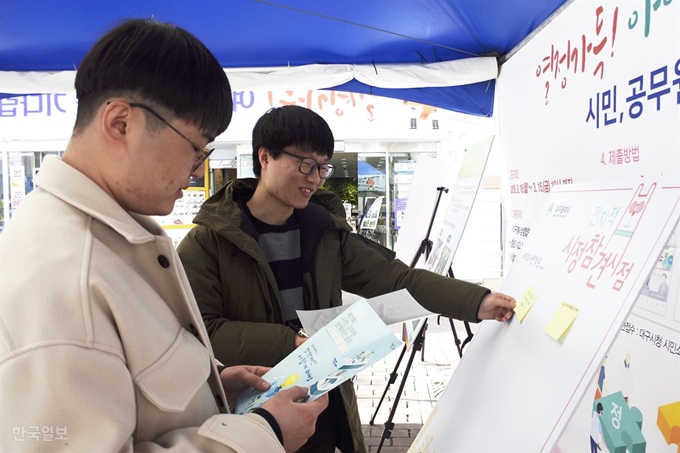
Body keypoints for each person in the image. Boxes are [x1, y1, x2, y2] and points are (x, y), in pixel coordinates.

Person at [0, 20, 327, 453]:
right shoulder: (61, 277)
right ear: (120, 123)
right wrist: (264, 431)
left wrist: (212, 389)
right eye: (196, 147)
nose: (196, 171)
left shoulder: (117, 236)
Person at [177, 105, 517, 453]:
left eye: (322, 167)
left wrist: (478, 301)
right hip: (248, 415)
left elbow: (397, 280)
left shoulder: (323, 233)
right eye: (305, 164)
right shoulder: (209, 242)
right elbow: (202, 333)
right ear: (265, 157)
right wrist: (291, 341)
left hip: (321, 403)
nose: (315, 178)